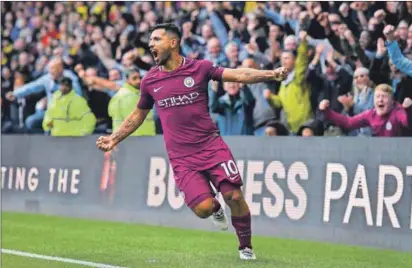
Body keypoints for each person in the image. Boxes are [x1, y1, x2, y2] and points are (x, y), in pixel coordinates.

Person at [96, 23, 288, 260]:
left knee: (235, 196)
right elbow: (138, 115)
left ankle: (245, 247)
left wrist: (271, 74)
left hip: (211, 146)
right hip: (182, 158)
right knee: (204, 209)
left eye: (156, 39)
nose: (151, 44)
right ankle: (217, 209)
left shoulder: (200, 68)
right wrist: (114, 138)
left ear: (173, 42)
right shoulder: (150, 81)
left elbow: (238, 74)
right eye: (151, 40)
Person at [319, 84, 412, 137]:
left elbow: (410, 124)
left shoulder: (398, 111)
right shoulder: (371, 114)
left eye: (384, 97)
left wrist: (407, 110)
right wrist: (327, 112)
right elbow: (348, 122)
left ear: (392, 101)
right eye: (377, 97)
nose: (380, 100)